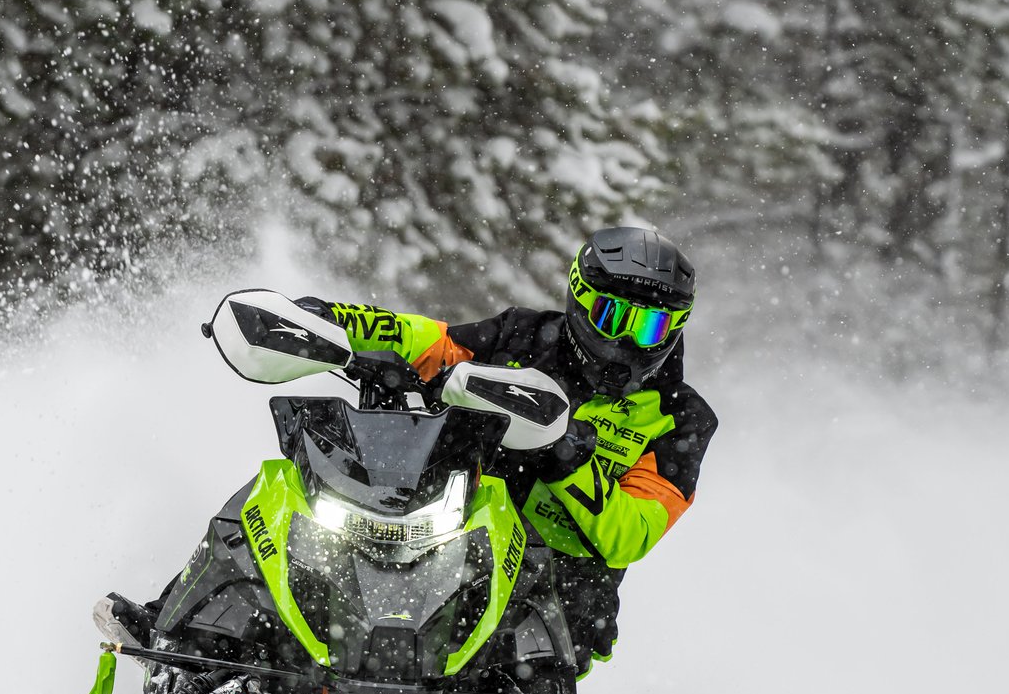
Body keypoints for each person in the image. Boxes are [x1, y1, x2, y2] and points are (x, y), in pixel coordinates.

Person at [299, 224, 714, 668]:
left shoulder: (682, 419)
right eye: (611, 317)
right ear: (579, 297)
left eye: (650, 327)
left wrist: (568, 458)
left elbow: (630, 536)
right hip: (449, 538)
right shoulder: (521, 337)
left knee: (552, 639)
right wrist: (333, 321)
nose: (626, 341)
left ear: (674, 331)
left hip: (556, 586)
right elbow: (428, 342)